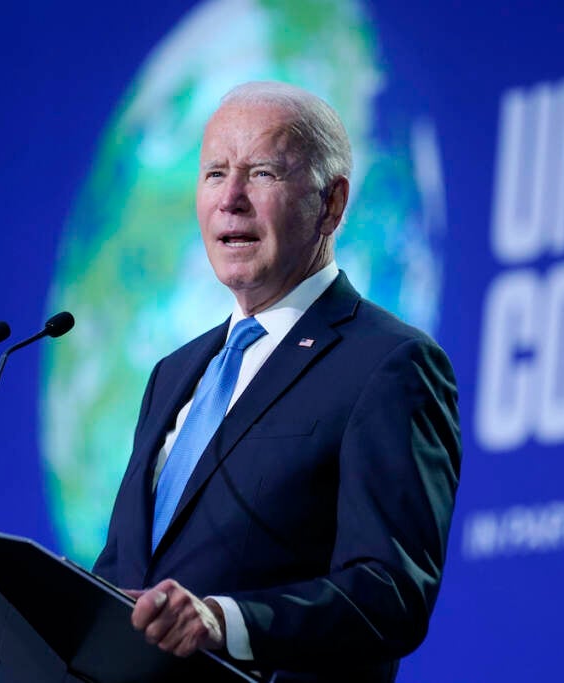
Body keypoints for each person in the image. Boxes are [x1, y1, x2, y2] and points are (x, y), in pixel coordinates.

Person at [93, 81, 461, 683]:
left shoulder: (389, 364)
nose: (231, 199)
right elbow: (122, 574)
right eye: (215, 173)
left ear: (332, 204)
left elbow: (390, 592)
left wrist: (224, 621)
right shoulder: (173, 375)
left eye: (261, 173)